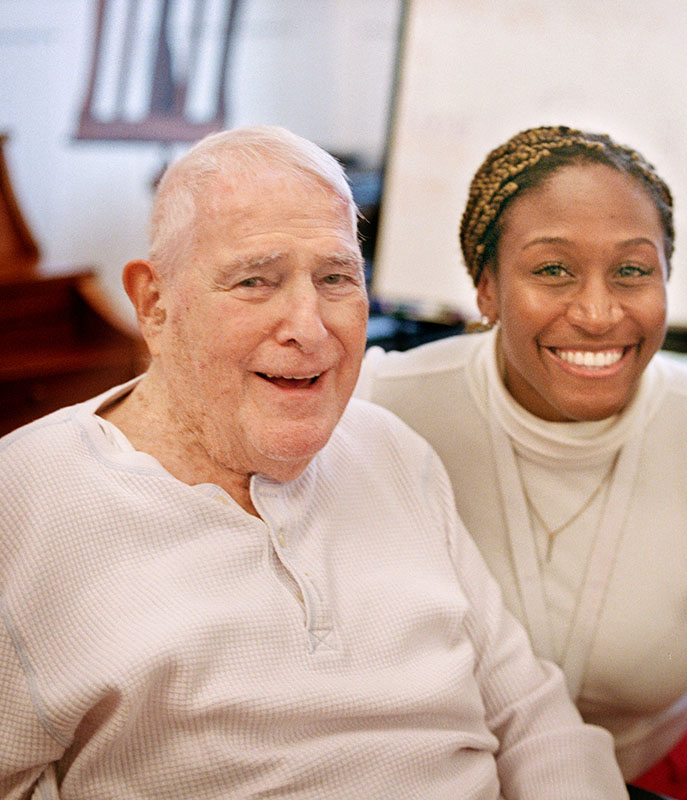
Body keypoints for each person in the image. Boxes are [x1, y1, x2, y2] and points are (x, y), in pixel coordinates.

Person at [0, 126, 628, 799]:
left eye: (335, 279)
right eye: (255, 280)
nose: (309, 325)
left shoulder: (391, 450)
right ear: (155, 303)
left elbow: (530, 716)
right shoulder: (29, 499)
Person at [356, 125, 687, 800]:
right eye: (552, 269)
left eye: (632, 270)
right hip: (440, 779)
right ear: (487, 290)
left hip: (657, 776)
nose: (598, 313)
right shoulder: (386, 408)